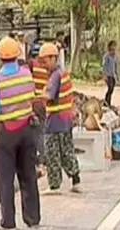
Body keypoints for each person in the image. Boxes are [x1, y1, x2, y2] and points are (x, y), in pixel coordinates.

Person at [0, 37, 40, 230]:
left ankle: (8, 221)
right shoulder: (26, 74)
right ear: (17, 55)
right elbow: (31, 97)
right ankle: (32, 219)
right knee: (29, 175)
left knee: (5, 179)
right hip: (27, 131)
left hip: (6, 133)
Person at [40, 42, 81, 194]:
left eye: (45, 61)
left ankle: (54, 185)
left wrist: (37, 96)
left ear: (53, 58)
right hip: (66, 119)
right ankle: (75, 178)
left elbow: (49, 96)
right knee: (67, 150)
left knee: (52, 153)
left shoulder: (55, 76)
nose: (43, 65)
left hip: (55, 121)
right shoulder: (63, 73)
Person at [28, 43, 48, 177]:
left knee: (34, 134)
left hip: (33, 103)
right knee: (42, 132)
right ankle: (42, 159)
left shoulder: (31, 66)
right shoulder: (47, 68)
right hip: (44, 103)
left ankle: (38, 160)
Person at [102, 40, 119, 107]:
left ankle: (108, 102)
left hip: (113, 76)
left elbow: (115, 66)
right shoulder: (106, 56)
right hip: (108, 75)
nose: (114, 49)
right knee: (110, 88)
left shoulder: (115, 57)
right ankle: (106, 101)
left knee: (112, 89)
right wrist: (104, 75)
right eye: (112, 47)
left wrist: (117, 75)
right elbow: (104, 66)